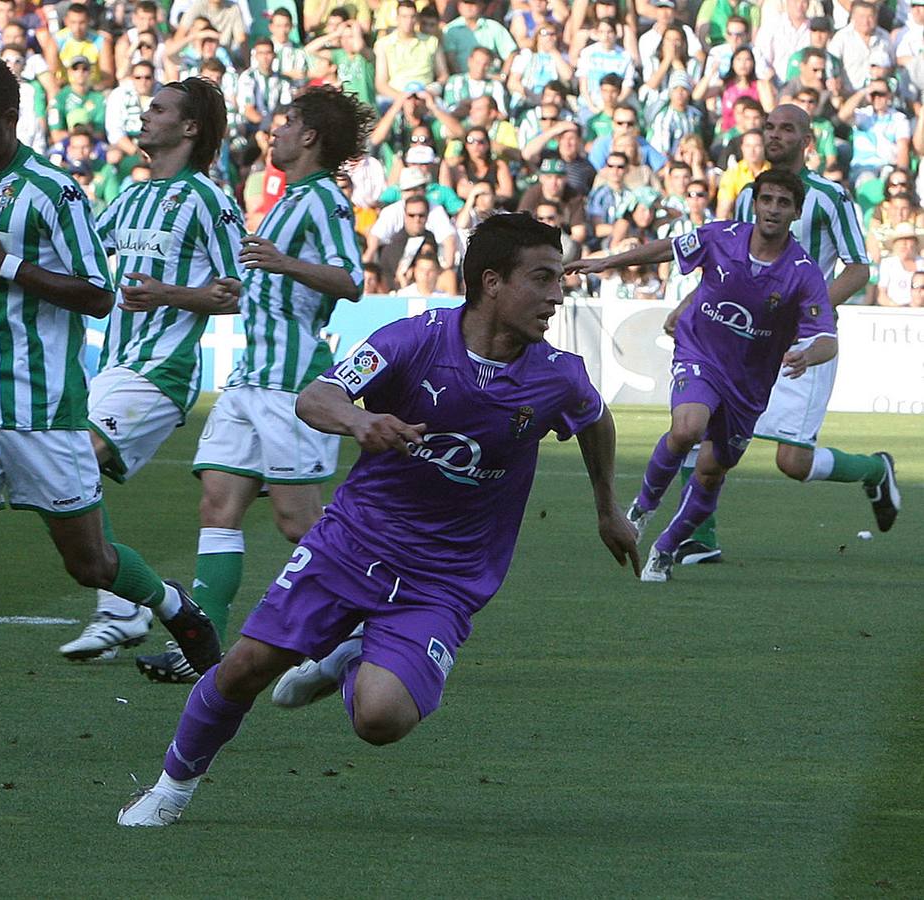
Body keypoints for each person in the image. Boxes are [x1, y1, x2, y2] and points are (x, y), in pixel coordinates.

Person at [116, 212, 641, 826]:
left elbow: (595, 420)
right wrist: (361, 421)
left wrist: (609, 510)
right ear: (492, 282)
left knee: (381, 720)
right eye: (543, 278)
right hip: (353, 543)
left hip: (447, 578)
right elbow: (317, 396)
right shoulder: (412, 341)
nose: (556, 296)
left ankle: (353, 650)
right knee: (245, 669)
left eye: (559, 280)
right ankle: (171, 788)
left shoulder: (556, 375)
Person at [0, 54, 221, 764]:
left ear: (10, 119)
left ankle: (176, 609)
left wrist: (7, 266)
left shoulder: (55, 193)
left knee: (89, 563)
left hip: (44, 417)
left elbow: (97, 293)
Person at [134, 85, 376, 684]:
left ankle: (365, 623)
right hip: (249, 381)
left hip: (292, 388)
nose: (276, 133)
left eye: (286, 123)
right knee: (218, 503)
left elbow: (350, 280)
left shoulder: (324, 201)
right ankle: (203, 650)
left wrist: (283, 262)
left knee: (299, 522)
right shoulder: (289, 199)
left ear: (310, 137)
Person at [569, 170, 838, 582]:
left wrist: (806, 355)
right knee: (687, 429)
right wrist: (608, 261)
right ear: (755, 201)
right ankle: (641, 508)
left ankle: (666, 548)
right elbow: (667, 250)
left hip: (748, 383)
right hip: (700, 353)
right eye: (767, 199)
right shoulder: (723, 236)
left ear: (796, 212)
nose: (773, 209)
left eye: (783, 203)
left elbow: (827, 339)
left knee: (712, 471)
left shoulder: (802, 272)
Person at [58, 78, 247, 661]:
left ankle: (134, 604)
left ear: (189, 128)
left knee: (73, 461)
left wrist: (168, 293)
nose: (147, 114)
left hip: (162, 371)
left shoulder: (209, 201)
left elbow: (238, 291)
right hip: (113, 365)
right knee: (64, 474)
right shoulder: (131, 197)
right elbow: (77, 254)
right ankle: (124, 606)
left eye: (159, 108)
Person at [664, 104, 898, 565]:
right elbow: (731, 262)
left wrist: (807, 312)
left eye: (786, 128)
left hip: (803, 343)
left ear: (807, 139)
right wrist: (689, 304)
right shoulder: (756, 195)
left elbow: (858, 269)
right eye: (769, 127)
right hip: (745, 337)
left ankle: (875, 470)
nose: (775, 135)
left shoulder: (830, 196)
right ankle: (700, 535)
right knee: (702, 422)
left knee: (792, 462)